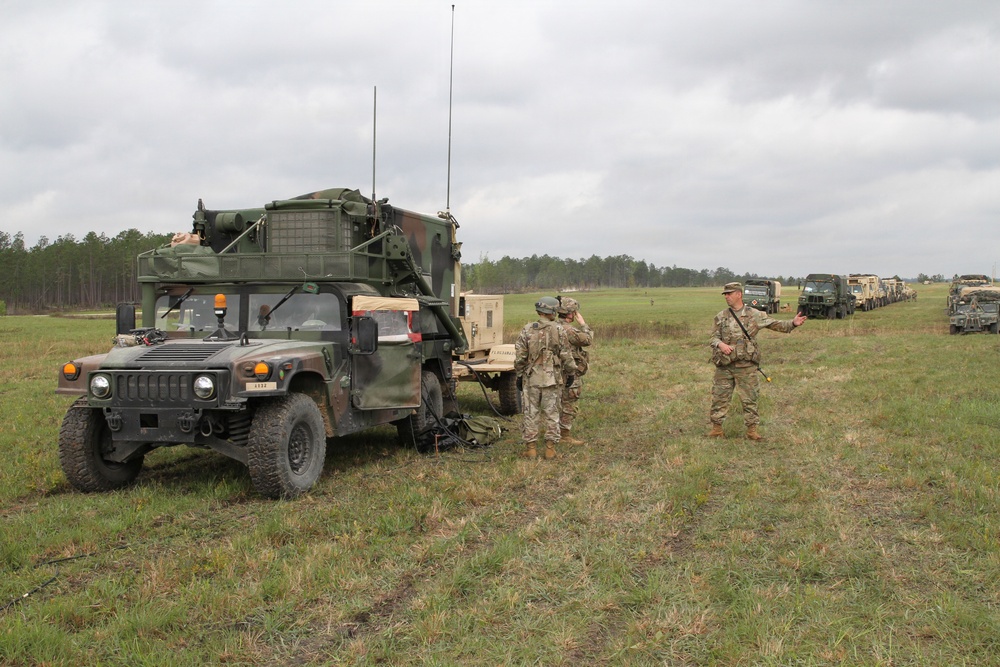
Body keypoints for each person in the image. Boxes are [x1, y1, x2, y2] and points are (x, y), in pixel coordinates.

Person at [709, 282, 806, 440]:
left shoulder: (754, 314)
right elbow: (712, 337)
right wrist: (720, 344)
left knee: (750, 398)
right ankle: (716, 429)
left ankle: (752, 431)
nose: (726, 296)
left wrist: (792, 324)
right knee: (719, 397)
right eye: (725, 294)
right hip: (724, 365)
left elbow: (775, 324)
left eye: (729, 293)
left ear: (739, 294)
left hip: (746, 366)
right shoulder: (721, 316)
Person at [515, 296, 578, 459]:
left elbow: (520, 356)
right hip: (552, 379)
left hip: (531, 379)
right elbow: (566, 354)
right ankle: (550, 448)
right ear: (552, 312)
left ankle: (531, 449)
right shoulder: (559, 330)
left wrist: (519, 374)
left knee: (530, 413)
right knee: (552, 413)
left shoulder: (527, 329)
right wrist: (571, 372)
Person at [555, 296, 593, 445]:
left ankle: (554, 432)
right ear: (570, 313)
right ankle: (564, 435)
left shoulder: (552, 326)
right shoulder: (569, 330)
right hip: (569, 371)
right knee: (569, 402)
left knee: (555, 402)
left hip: (553, 371)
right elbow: (587, 340)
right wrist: (583, 324)